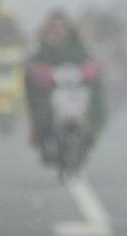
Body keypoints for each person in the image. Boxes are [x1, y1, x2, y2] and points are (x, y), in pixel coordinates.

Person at [25, 10, 106, 161]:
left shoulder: (77, 45)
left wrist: (88, 72)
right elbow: (32, 66)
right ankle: (44, 141)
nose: (58, 29)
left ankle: (90, 137)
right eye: (55, 26)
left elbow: (90, 61)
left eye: (62, 26)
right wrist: (42, 75)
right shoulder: (42, 45)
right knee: (42, 112)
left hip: (76, 89)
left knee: (95, 106)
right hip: (49, 90)